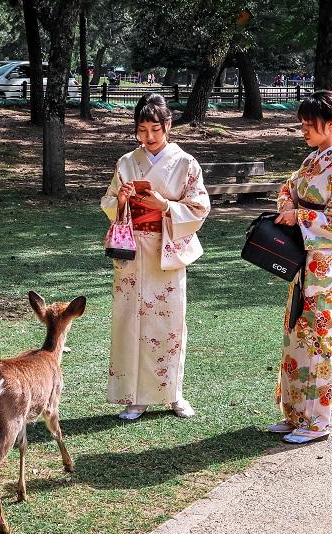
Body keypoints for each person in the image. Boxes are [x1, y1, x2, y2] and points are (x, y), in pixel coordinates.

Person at [100, 93, 210, 420]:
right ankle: (135, 397)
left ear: (168, 126)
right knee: (130, 322)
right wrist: (120, 200)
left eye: (155, 129)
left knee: (170, 323)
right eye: (142, 130)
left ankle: (173, 393)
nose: (148, 137)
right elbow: (107, 203)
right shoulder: (126, 162)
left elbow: (199, 208)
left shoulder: (186, 164)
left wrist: (164, 206)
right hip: (133, 248)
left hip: (166, 249)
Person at [269, 90, 332, 444]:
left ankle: (317, 420)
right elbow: (288, 188)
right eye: (303, 123)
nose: (304, 129)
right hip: (303, 259)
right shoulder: (314, 160)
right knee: (295, 332)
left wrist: (301, 214)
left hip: (324, 264)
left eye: (310, 123)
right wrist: (289, 206)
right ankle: (293, 414)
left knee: (317, 337)